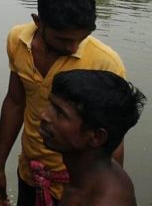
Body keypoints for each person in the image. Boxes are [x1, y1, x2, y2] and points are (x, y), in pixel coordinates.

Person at [0, 0, 127, 206]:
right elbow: (15, 101)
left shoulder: (105, 63)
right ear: (38, 22)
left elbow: (112, 142)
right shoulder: (18, 41)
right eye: (63, 39)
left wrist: (99, 192)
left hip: (76, 185)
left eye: (81, 38)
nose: (73, 47)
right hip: (30, 172)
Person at [40, 70, 145, 206]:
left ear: (96, 137)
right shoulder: (87, 177)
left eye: (60, 112)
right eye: (51, 105)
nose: (44, 115)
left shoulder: (107, 200)